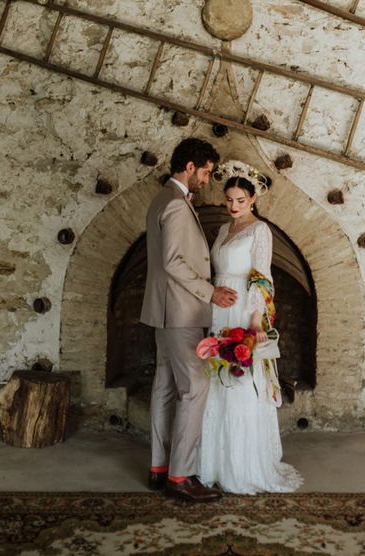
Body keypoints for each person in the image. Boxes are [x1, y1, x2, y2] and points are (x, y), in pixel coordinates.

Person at [140, 137, 238, 502]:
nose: (207, 180)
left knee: (165, 387)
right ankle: (180, 477)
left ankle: (158, 468)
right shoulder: (178, 205)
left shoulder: (162, 199)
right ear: (190, 167)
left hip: (162, 311)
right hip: (181, 311)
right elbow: (174, 263)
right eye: (206, 172)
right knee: (195, 387)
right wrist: (210, 292)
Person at [198, 161, 302, 494]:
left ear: (253, 198)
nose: (233, 206)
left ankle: (243, 465)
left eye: (240, 200)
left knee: (241, 378)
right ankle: (213, 461)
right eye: (229, 199)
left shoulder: (260, 230)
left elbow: (262, 277)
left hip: (243, 308)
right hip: (219, 308)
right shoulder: (222, 229)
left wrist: (255, 321)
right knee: (217, 375)